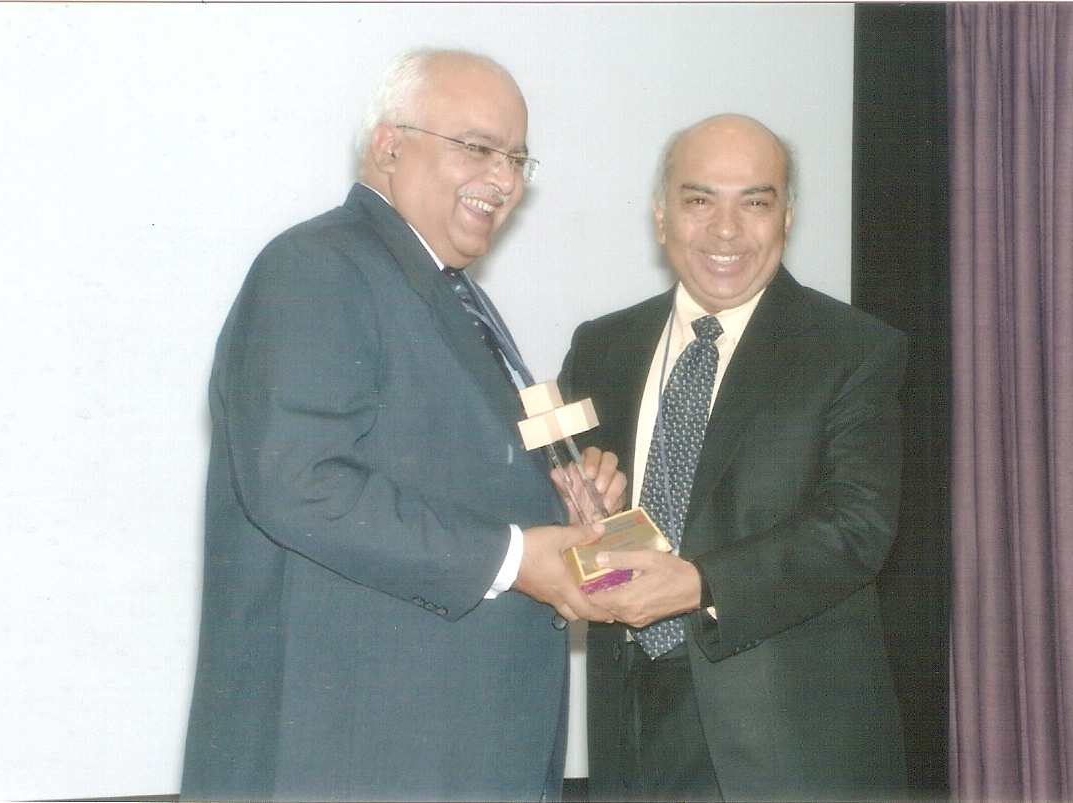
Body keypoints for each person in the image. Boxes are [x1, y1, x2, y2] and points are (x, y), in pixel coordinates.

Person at [180, 48, 623, 803]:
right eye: (478, 148)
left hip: (446, 746)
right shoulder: (317, 266)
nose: (505, 180)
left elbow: (437, 472)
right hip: (359, 757)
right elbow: (297, 482)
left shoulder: (446, 292)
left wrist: (561, 501)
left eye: (517, 158)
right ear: (388, 147)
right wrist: (517, 557)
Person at [558, 114, 909, 802]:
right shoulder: (601, 346)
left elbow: (857, 528)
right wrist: (580, 526)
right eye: (699, 200)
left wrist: (697, 585)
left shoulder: (853, 348)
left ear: (787, 217)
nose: (726, 230)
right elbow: (599, 527)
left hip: (788, 748)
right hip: (629, 730)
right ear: (661, 215)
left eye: (754, 202)